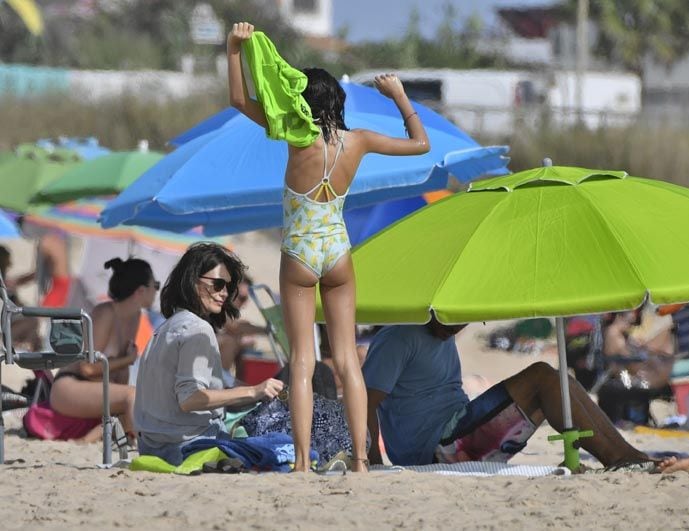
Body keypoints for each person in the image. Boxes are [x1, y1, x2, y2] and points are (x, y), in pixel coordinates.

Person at [227, 22, 430, 472]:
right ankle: (360, 459)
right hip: (338, 252)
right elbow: (421, 144)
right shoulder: (356, 142)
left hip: (299, 253)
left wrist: (233, 50)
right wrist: (398, 95)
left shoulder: (296, 137)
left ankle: (301, 462)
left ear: (304, 101)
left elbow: (239, 101)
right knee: (347, 361)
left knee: (302, 359)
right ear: (336, 100)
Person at [363, 316, 656, 470]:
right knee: (541, 376)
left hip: (458, 437)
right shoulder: (399, 336)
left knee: (558, 382)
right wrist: (374, 462)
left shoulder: (442, 335)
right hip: (435, 451)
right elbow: (365, 402)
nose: (457, 327)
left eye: (464, 319)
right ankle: (620, 459)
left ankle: (629, 456)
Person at [133, 242, 284, 466]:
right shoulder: (198, 329)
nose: (224, 293)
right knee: (286, 441)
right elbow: (190, 399)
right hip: (188, 446)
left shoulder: (167, 327)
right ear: (194, 281)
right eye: (218, 284)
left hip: (153, 446)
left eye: (228, 287)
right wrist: (254, 391)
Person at [49, 257, 158, 442]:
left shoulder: (135, 316)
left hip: (95, 389)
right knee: (133, 395)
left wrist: (125, 364)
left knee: (138, 396)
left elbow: (121, 371)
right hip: (71, 385)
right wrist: (128, 360)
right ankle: (139, 446)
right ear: (140, 290)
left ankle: (87, 441)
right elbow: (87, 368)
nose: (157, 290)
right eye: (155, 285)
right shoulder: (106, 313)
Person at [217, 273, 267, 385]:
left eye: (246, 298)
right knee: (231, 340)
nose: (244, 303)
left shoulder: (226, 313)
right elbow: (234, 327)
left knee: (243, 342)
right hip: (202, 370)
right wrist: (267, 330)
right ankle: (224, 383)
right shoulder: (217, 307)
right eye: (241, 298)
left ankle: (237, 383)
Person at [0, 245, 41, 351]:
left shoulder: (7, 282)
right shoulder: (5, 284)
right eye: (7, 261)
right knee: (32, 322)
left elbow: (25, 279)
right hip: (7, 326)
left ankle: (34, 355)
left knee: (34, 329)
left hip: (12, 322)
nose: (10, 264)